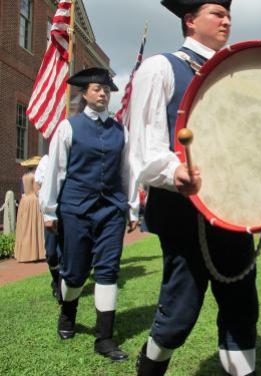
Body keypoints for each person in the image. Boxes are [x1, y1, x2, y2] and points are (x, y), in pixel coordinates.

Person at [128, 1, 258, 375]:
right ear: (190, 21)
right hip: (181, 209)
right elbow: (144, 147)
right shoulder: (160, 68)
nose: (226, 20)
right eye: (217, 13)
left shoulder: (234, 76)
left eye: (229, 14)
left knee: (242, 303)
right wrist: (174, 173)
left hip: (232, 209)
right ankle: (149, 367)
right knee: (181, 309)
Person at [39, 68, 136, 361]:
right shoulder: (69, 127)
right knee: (75, 272)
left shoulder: (121, 129)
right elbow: (57, 170)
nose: (103, 93)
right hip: (76, 208)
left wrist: (131, 207)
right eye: (97, 89)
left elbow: (127, 171)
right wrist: (49, 210)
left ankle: (104, 339)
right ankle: (68, 315)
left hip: (111, 210)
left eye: (107, 89)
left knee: (108, 271)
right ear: (84, 93)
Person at [35, 154, 61, 301]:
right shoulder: (45, 160)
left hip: (65, 212)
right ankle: (56, 279)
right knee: (51, 253)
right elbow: (36, 185)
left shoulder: (69, 158)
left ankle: (61, 285)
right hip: (50, 215)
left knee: (63, 252)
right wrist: (43, 197)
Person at [14, 157, 45, 262]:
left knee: (25, 227)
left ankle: (23, 254)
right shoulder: (34, 176)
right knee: (34, 226)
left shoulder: (23, 176)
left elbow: (22, 190)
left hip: (24, 201)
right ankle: (34, 253)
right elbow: (37, 190)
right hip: (33, 201)